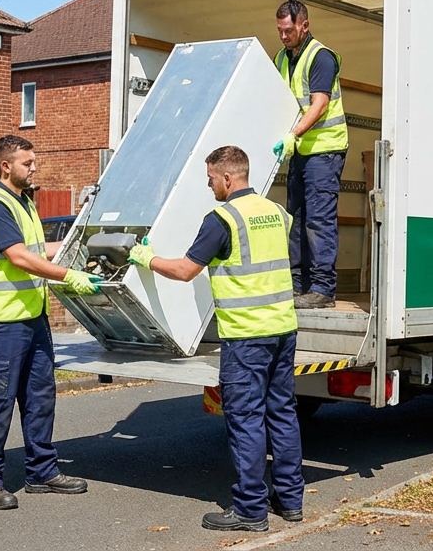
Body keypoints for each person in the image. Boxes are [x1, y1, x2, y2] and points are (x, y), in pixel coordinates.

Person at [128, 146, 304, 532]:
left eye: (210, 179)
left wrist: (146, 258)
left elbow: (185, 270)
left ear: (227, 177)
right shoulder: (276, 212)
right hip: (282, 329)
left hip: (245, 336)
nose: (209, 186)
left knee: (245, 421)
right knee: (282, 414)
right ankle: (290, 501)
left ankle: (250, 510)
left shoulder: (222, 218)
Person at [0, 134, 102, 510]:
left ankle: (42, 471)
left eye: (34, 161)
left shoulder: (23, 202)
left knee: (40, 398)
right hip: (2, 323)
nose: (34, 167)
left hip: (32, 318)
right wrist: (67, 275)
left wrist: (79, 242)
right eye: (28, 162)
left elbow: (37, 251)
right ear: (6, 165)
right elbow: (19, 258)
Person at [273, 0, 348, 309]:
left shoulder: (321, 57)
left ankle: (323, 289)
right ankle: (297, 285)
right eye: (279, 30)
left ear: (304, 25)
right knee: (296, 219)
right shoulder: (281, 58)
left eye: (288, 30)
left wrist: (293, 134)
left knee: (318, 220)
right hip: (302, 151)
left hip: (325, 149)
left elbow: (318, 104)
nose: (283, 36)